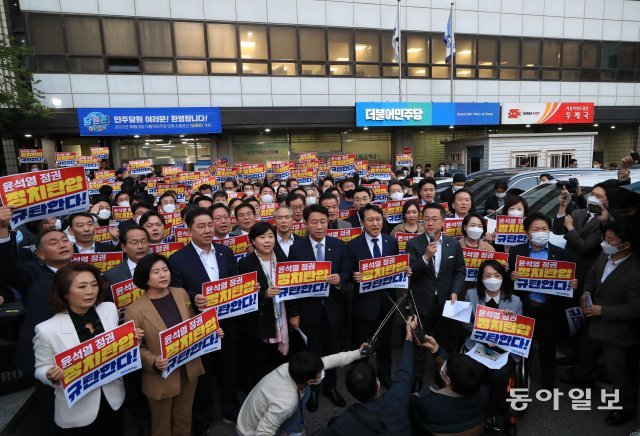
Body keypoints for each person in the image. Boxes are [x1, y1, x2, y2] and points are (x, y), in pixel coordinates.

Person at [124, 254, 223, 436]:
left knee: (184, 419)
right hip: (161, 375)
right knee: (161, 425)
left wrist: (211, 331)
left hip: (188, 369)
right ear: (144, 277)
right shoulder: (134, 309)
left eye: (165, 270)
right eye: (156, 272)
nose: (163, 275)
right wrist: (153, 361)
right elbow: (134, 348)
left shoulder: (181, 293)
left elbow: (193, 323)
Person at [34, 262, 133, 434]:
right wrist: (50, 375)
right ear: (64, 292)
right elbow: (40, 368)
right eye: (82, 286)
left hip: (113, 399)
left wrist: (132, 341)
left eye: (94, 285)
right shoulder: (47, 329)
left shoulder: (108, 310)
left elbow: (117, 347)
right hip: (77, 411)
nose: (90, 291)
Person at [0, 206, 74, 436]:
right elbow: (7, 267)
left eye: (64, 239)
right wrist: (2, 229)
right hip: (47, 361)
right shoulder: (31, 274)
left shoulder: (84, 272)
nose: (62, 244)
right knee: (52, 418)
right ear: (40, 254)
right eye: (53, 242)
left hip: (79, 357)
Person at [562, 218, 640, 426]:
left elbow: (635, 308)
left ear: (625, 245)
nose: (605, 242)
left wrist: (602, 310)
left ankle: (625, 408)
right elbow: (592, 276)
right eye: (605, 238)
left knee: (617, 371)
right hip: (593, 319)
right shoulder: (605, 254)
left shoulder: (635, 271)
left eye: (610, 240)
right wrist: (586, 292)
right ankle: (584, 377)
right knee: (587, 350)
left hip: (617, 330)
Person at [168, 208, 239, 429]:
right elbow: (175, 290)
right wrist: (193, 298)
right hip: (200, 326)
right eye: (201, 226)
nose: (208, 230)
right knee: (203, 376)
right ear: (189, 230)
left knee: (230, 369)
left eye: (210, 225)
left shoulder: (225, 252)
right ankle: (203, 419)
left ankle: (231, 410)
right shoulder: (178, 259)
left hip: (228, 322)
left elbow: (234, 280)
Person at [287, 204, 352, 411]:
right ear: (305, 224)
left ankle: (331, 387)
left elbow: (348, 272)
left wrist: (339, 279)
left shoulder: (339, 245)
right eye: (314, 222)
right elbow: (291, 284)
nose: (319, 226)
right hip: (308, 311)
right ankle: (313, 390)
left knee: (332, 351)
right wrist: (294, 313)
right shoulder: (296, 249)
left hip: (333, 309)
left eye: (323, 221)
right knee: (312, 353)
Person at [508, 212, 577, 388]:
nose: (541, 232)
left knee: (548, 347)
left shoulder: (561, 254)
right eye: (536, 229)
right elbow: (506, 281)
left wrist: (572, 284)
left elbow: (569, 280)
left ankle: (548, 382)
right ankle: (523, 378)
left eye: (544, 229)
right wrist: (511, 276)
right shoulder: (516, 252)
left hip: (550, 308)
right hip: (525, 307)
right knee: (524, 345)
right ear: (527, 233)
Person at [236, 346, 367, 436]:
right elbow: (263, 433)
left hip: (250, 416)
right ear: (310, 381)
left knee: (307, 393)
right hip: (249, 432)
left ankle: (292, 429)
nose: (322, 373)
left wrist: (358, 353)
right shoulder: (286, 403)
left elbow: (329, 361)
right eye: (319, 374)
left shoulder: (290, 368)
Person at [405, 203, 465, 392]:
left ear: (443, 222)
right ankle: (416, 380)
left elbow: (459, 271)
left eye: (435, 219)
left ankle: (442, 376)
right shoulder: (414, 243)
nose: (430, 223)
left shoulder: (453, 244)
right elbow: (410, 272)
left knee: (443, 341)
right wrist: (425, 257)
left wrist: (455, 290)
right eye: (427, 219)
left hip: (446, 301)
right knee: (420, 342)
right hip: (422, 301)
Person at [322, 317, 417, 435]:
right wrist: (409, 336)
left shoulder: (346, 422)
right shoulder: (397, 398)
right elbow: (405, 370)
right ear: (377, 382)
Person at [463, 260, 522, 430]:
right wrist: (481, 331)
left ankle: (490, 412)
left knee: (500, 374)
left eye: (497, 275)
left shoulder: (515, 301)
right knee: (469, 370)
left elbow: (521, 331)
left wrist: (511, 321)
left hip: (504, 349)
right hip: (478, 344)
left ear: (503, 277)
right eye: (488, 275)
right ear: (481, 278)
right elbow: (465, 323)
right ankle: (472, 408)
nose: (493, 279)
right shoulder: (471, 295)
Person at [347, 204, 401, 389]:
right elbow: (347, 273)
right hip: (363, 305)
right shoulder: (353, 245)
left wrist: (403, 270)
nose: (375, 223)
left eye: (378, 219)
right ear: (362, 222)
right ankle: (363, 378)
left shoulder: (391, 242)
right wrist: (354, 277)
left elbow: (395, 269)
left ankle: (384, 375)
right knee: (362, 345)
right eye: (370, 220)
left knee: (385, 344)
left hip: (386, 303)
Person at [237, 222, 289, 386]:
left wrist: (295, 315)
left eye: (270, 236)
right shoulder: (245, 264)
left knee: (279, 364)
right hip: (260, 322)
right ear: (252, 241)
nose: (267, 241)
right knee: (257, 365)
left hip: (283, 318)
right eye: (262, 237)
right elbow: (242, 297)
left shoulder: (283, 259)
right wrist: (263, 295)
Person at [410, 337, 489, 435]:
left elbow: (400, 400)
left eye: (445, 368)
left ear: (448, 380)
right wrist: (436, 349)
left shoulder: (427, 402)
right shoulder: (483, 393)